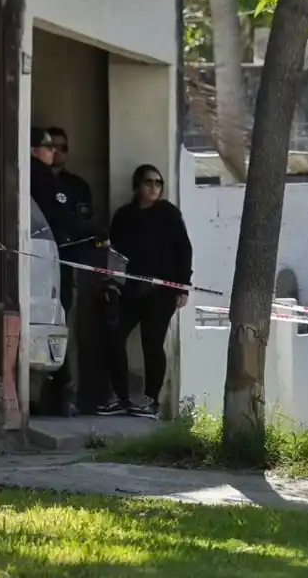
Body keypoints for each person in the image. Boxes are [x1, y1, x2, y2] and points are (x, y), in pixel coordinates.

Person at [99, 164, 193, 419]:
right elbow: (113, 253)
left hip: (161, 291)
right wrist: (111, 283)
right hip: (128, 290)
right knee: (114, 336)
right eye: (149, 182)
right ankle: (120, 397)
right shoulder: (123, 216)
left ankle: (152, 401)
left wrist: (182, 286)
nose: (154, 187)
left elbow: (184, 250)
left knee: (152, 342)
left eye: (158, 183)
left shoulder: (169, 214)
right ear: (137, 186)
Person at [29, 127, 99, 417]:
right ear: (34, 149)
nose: (53, 152)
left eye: (59, 147)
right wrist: (95, 233)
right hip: (45, 264)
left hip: (60, 260)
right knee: (51, 329)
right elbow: (62, 219)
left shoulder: (73, 184)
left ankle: (57, 395)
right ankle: (55, 396)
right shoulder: (39, 175)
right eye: (48, 146)